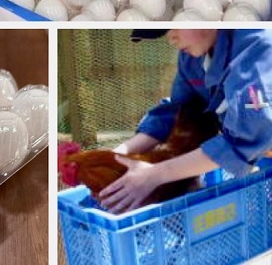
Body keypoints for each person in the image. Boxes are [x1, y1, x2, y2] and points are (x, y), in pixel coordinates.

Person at [100, 28, 272, 213]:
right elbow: (182, 110)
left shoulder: (257, 50)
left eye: (173, 29)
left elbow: (246, 138)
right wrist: (120, 153)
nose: (171, 39)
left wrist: (155, 174)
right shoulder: (193, 55)